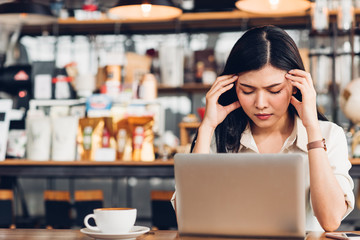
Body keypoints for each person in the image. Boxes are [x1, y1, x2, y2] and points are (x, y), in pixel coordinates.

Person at [172, 25, 354, 232]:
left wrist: (311, 126)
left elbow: (330, 221)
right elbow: (189, 219)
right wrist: (207, 127)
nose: (260, 103)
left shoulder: (329, 135)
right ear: (232, 87)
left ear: (296, 86)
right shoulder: (217, 136)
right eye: (248, 90)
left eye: (274, 90)